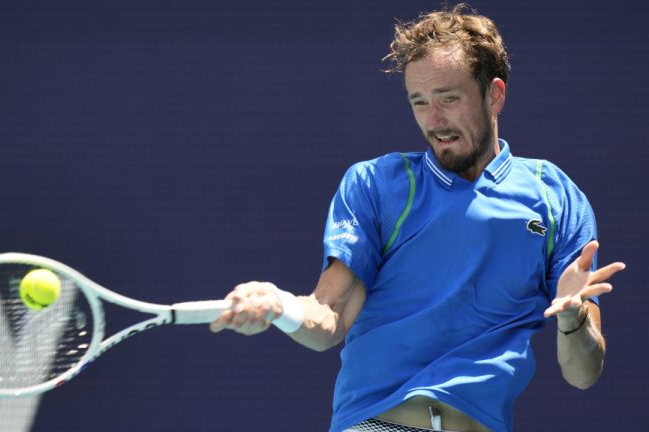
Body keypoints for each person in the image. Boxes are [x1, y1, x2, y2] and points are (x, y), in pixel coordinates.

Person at [210, 4, 626, 432]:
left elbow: (582, 373)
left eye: (449, 99)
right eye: (420, 102)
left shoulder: (554, 197)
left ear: (494, 95)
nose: (434, 120)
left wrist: (573, 318)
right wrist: (279, 304)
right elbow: (326, 318)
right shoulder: (375, 185)